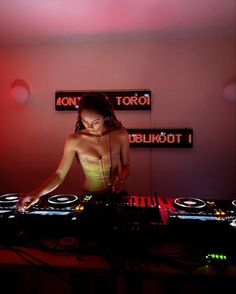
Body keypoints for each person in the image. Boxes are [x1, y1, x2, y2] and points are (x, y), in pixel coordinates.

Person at [17, 92, 130, 212]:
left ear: (106, 116)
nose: (89, 126)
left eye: (95, 122)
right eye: (84, 120)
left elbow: (126, 167)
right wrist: (36, 194)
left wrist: (120, 177)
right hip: (89, 196)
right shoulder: (74, 140)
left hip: (117, 196)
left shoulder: (121, 135)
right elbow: (59, 174)